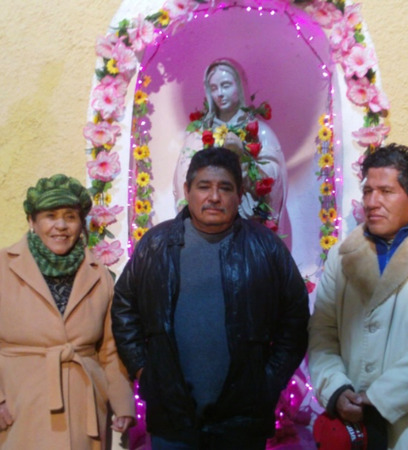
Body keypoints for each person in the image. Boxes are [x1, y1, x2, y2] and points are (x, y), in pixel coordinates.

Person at [112, 147, 309, 449]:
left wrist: (268, 381)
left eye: (225, 188)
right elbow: (124, 308)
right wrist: (143, 371)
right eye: (204, 186)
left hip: (243, 422)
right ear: (187, 191)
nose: (214, 197)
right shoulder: (155, 245)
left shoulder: (266, 248)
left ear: (239, 195)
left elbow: (295, 319)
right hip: (171, 420)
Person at [308, 144, 408, 449]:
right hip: (354, 432)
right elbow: (322, 333)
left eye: (386, 191)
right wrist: (336, 390)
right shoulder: (342, 255)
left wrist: (378, 398)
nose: (372, 202)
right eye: (368, 191)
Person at [0, 174, 135, 449]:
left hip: (82, 409)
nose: (60, 226)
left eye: (70, 217)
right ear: (32, 221)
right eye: (50, 216)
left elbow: (109, 349)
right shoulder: (4, 266)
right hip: (18, 407)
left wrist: (122, 402)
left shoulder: (99, 274)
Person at [173, 58, 287, 228]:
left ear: (239, 87)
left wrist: (244, 160)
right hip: (208, 226)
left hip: (249, 224)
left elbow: (275, 178)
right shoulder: (199, 136)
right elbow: (184, 179)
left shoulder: (260, 133)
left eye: (226, 85)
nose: (219, 93)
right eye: (213, 88)